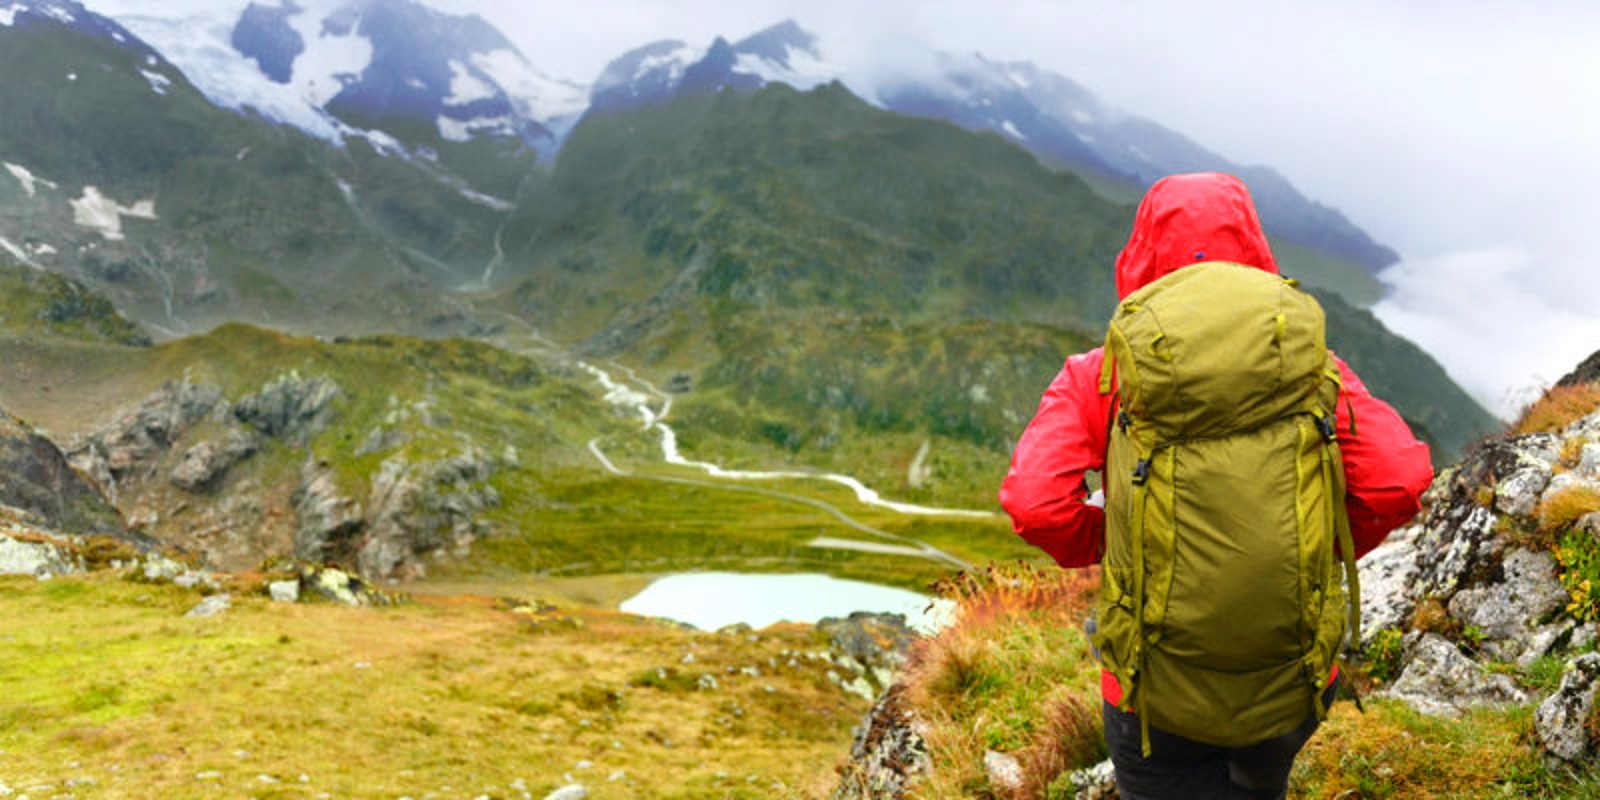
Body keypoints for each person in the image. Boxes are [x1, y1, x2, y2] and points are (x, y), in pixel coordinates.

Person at [999, 172, 1433, 799]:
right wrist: (1308, 551)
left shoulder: (1101, 376)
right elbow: (1398, 480)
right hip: (1290, 676)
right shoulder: (1314, 370)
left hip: (1152, 688)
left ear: (1141, 253)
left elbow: (1035, 505)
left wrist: (1118, 545)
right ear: (1254, 247)